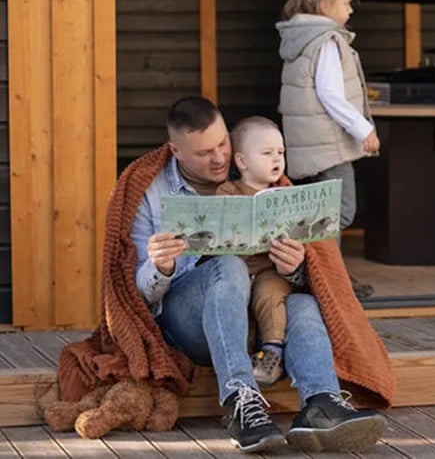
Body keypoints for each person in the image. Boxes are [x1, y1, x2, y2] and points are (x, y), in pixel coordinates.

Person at [57, 96, 394, 454]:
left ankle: (321, 402)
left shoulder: (253, 170)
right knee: (228, 263)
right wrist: (160, 267)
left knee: (304, 303)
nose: (219, 158)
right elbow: (133, 300)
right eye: (204, 152)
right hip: (188, 323)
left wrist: (293, 266)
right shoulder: (147, 191)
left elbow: (316, 272)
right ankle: (240, 401)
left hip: (258, 322)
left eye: (222, 144)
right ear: (176, 150)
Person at [276, 0, 379, 298]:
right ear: (324, 5)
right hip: (329, 144)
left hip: (313, 141)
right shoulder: (327, 42)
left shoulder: (299, 39)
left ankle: (328, 276)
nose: (350, 11)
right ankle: (323, 277)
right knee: (339, 212)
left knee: (326, 212)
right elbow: (332, 96)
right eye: (346, 4)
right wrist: (363, 129)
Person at [215, 116, 293, 388]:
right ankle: (241, 360)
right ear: (242, 161)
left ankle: (273, 352)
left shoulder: (284, 192)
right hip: (236, 270)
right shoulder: (229, 190)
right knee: (236, 302)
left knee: (270, 294)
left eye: (281, 153)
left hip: (269, 269)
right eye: (267, 153)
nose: (277, 159)